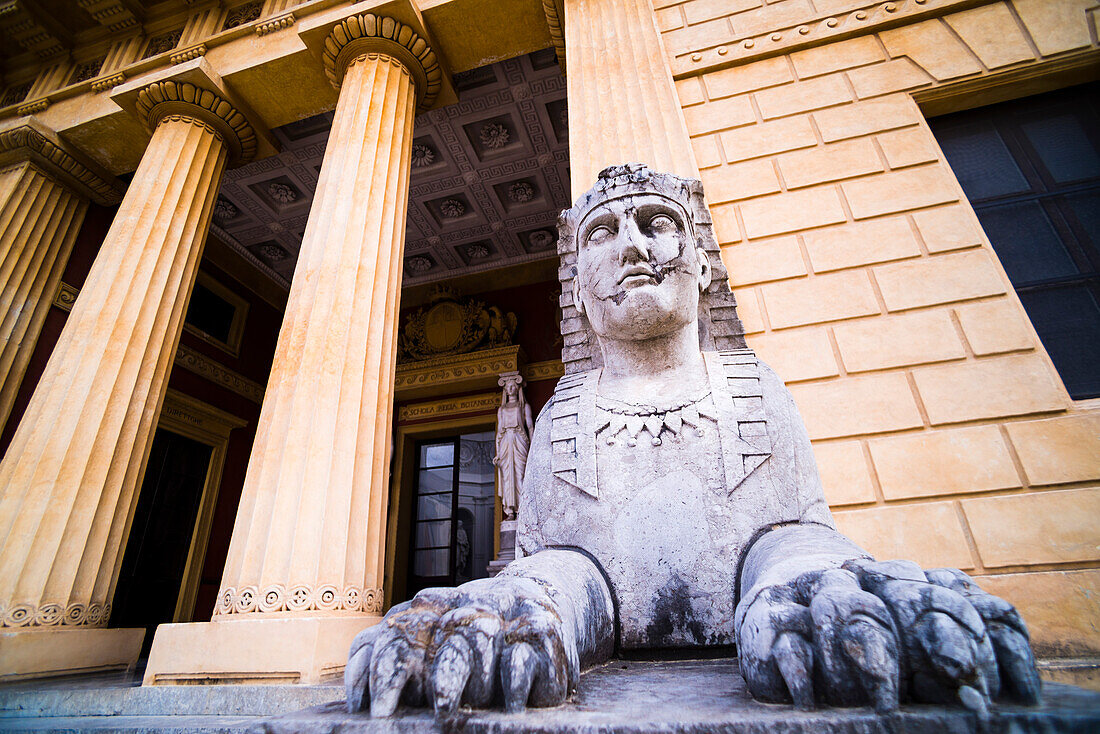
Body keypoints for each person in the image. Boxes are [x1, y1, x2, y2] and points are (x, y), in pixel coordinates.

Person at [345, 165, 1040, 718]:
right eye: (603, 234)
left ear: (703, 267)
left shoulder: (755, 387)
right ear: (579, 290)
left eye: (657, 224)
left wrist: (807, 582)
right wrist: (527, 600)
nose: (634, 248)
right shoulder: (561, 414)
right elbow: (567, 562)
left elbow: (788, 531)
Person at [493, 373, 533, 521]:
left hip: (520, 441)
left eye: (512, 386)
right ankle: (510, 510)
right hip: (505, 444)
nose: (510, 389)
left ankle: (523, 508)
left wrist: (533, 449)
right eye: (507, 387)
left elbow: (530, 427)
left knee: (520, 475)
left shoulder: (524, 406)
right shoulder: (501, 410)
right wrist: (497, 453)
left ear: (517, 388)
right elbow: (499, 432)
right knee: (508, 478)